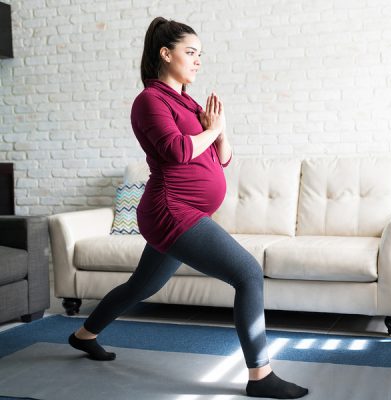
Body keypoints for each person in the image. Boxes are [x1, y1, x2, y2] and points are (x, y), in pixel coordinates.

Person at [67, 17, 308, 399]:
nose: (198, 61)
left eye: (200, 54)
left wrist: (221, 130)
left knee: (141, 286)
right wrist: (210, 131)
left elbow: (222, 158)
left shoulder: (189, 102)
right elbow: (177, 152)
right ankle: (260, 376)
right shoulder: (150, 101)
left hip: (187, 210)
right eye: (190, 52)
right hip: (170, 209)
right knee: (247, 274)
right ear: (166, 54)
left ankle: (84, 335)